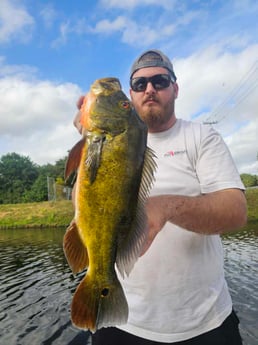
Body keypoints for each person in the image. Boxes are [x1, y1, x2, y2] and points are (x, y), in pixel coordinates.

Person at [73, 49, 247, 344]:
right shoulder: (100, 140)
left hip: (205, 324)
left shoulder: (201, 136)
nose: (150, 89)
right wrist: (87, 143)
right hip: (124, 323)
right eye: (140, 84)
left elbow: (237, 212)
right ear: (130, 96)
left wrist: (168, 206)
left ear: (175, 89)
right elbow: (84, 203)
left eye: (160, 81)